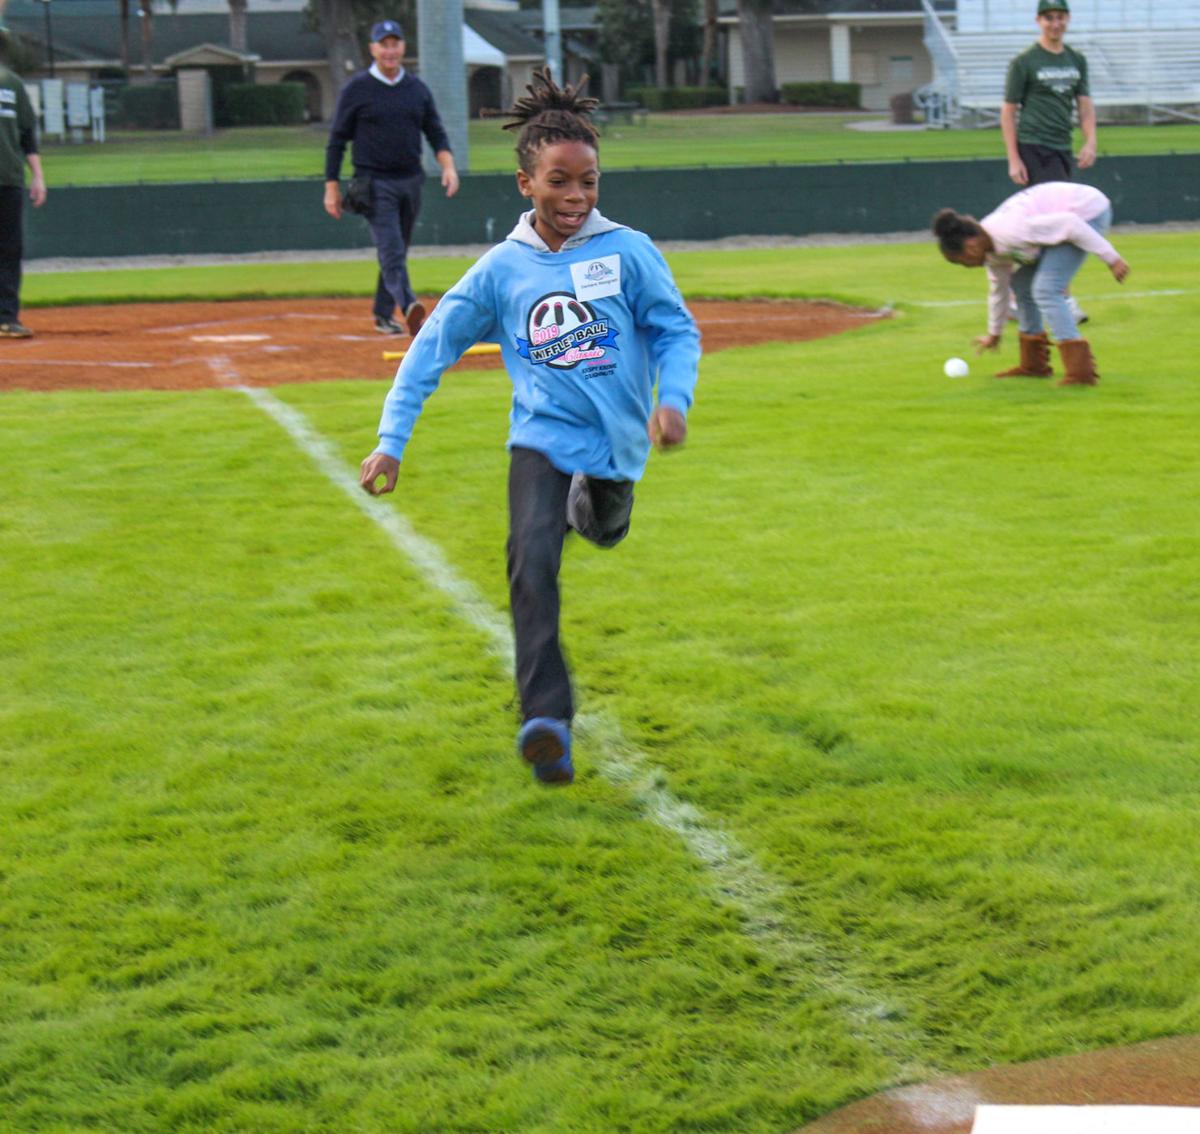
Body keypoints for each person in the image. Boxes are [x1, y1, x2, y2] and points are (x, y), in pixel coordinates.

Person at [359, 69, 701, 786]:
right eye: (559, 182)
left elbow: (676, 331)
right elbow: (430, 351)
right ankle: (546, 720)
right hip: (540, 438)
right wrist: (391, 440)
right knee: (530, 558)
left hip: (618, 446)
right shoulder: (500, 271)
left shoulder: (628, 251)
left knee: (602, 527)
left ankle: (593, 504)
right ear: (526, 184)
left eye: (588, 181)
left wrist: (675, 401)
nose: (576, 196)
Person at [323, 19, 460, 338]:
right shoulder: (357, 90)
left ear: (402, 48)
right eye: (383, 44)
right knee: (392, 249)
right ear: (372, 49)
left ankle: (383, 314)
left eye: (394, 43)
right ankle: (409, 306)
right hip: (374, 183)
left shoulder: (417, 89)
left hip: (410, 180)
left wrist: (449, 166)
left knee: (397, 250)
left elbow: (435, 132)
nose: (389, 50)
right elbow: (337, 140)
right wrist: (331, 186)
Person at [932, 182, 1129, 387]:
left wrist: (1112, 259)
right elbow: (999, 293)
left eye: (961, 261)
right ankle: (1034, 365)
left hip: (1088, 211)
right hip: (1066, 221)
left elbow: (1070, 224)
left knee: (1046, 288)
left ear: (971, 247)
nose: (966, 266)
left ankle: (1080, 373)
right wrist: (994, 334)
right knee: (1021, 284)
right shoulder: (991, 252)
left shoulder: (1009, 231)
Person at [1001, 0, 1095, 322]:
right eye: (1049, 18)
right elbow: (1009, 111)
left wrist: (1090, 140)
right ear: (1039, 21)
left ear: (1067, 20)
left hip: (1061, 149)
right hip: (1034, 148)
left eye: (1060, 17)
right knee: (1058, 223)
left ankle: (1018, 293)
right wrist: (1014, 158)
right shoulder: (1025, 62)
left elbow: (1084, 105)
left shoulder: (1076, 60)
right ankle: (1060, 296)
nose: (1055, 23)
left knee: (1042, 227)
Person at [0, 28, 46, 339]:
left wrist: (38, 176)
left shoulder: (12, 84)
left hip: (9, 179)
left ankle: (6, 318)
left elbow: (27, 134)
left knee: (9, 249)